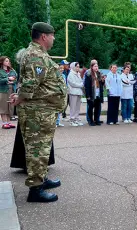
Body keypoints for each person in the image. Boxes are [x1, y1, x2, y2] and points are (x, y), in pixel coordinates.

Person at [9, 22, 66, 202]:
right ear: (43, 36)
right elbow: (30, 84)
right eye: (52, 35)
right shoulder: (35, 55)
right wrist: (19, 98)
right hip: (38, 113)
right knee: (37, 150)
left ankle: (41, 177)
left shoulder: (37, 54)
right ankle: (35, 189)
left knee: (42, 148)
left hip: (42, 111)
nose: (54, 38)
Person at [84, 62, 104, 126]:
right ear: (92, 67)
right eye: (95, 66)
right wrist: (87, 95)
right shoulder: (88, 74)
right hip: (91, 94)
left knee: (97, 108)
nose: (96, 68)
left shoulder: (99, 74)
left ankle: (96, 120)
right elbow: (86, 86)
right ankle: (91, 121)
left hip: (98, 94)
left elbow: (101, 84)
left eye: (97, 66)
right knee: (90, 108)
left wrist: (103, 81)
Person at [0, 56, 18, 129]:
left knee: (10, 106)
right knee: (3, 107)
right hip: (3, 91)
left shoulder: (12, 70)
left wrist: (13, 80)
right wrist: (7, 79)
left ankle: (8, 122)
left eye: (8, 61)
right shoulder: (0, 71)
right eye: (6, 61)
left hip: (11, 90)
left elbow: (16, 78)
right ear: (2, 62)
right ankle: (4, 123)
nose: (8, 62)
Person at [67, 62, 84, 127]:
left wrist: (81, 84)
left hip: (79, 92)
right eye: (76, 66)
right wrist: (81, 85)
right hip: (73, 93)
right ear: (73, 67)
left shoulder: (78, 74)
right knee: (73, 107)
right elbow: (73, 84)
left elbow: (81, 81)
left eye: (78, 66)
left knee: (77, 107)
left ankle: (76, 119)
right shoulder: (70, 74)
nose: (78, 68)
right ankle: (72, 120)